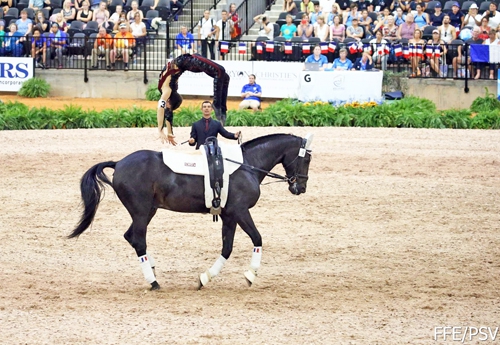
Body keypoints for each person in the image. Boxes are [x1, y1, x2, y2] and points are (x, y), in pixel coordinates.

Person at [156, 54, 231, 145]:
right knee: (222, 74)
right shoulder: (166, 91)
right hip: (189, 62)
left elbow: (161, 107)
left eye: (168, 106)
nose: (167, 107)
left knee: (222, 73)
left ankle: (218, 105)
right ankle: (221, 107)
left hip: (186, 61)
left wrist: (160, 130)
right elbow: (168, 113)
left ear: (169, 101)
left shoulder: (167, 91)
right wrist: (169, 132)